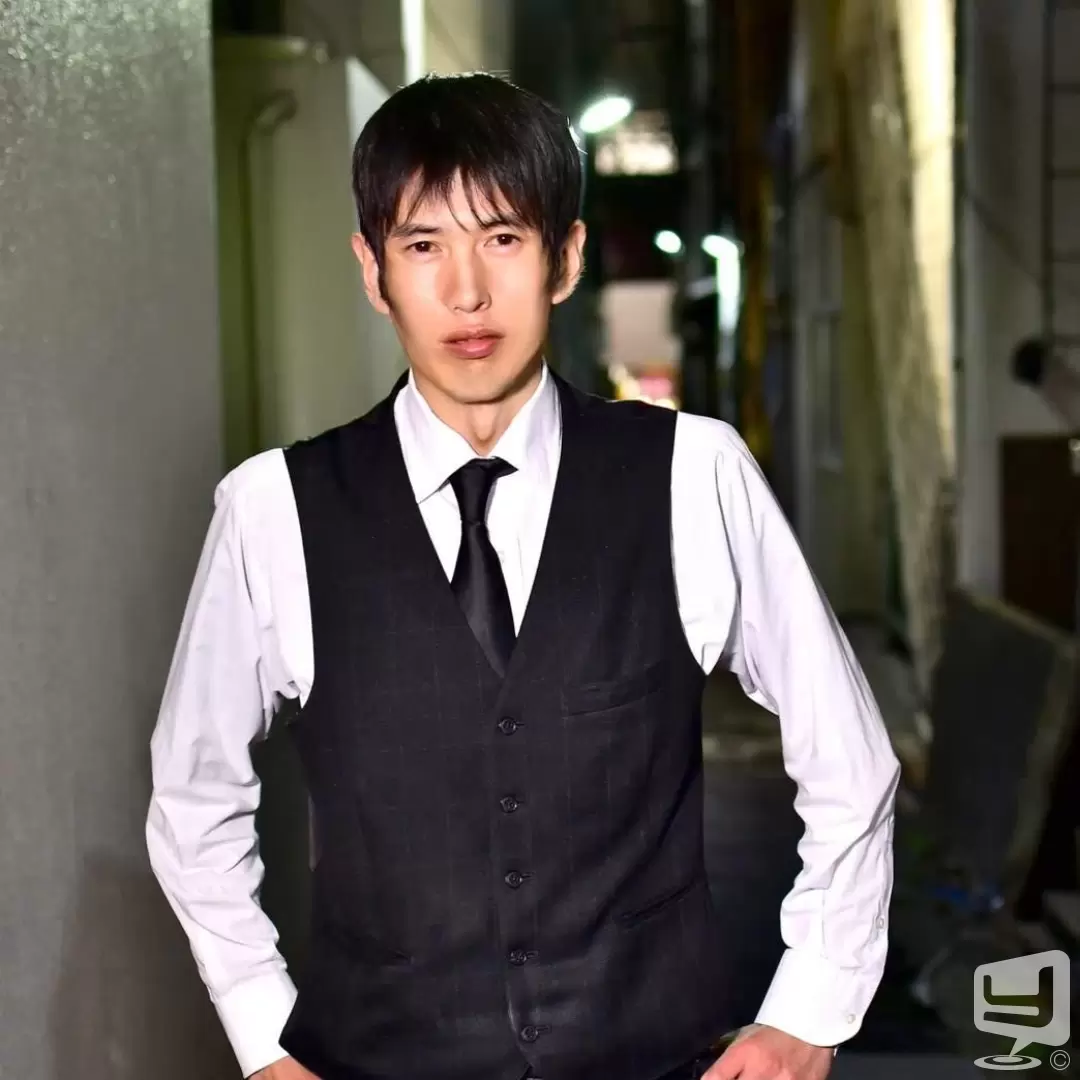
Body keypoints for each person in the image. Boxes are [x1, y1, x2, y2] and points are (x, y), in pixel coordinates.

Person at [146, 72, 900, 1080]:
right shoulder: (272, 509)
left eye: (502, 238)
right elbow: (193, 792)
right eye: (423, 246)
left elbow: (849, 758)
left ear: (566, 257)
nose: (466, 292)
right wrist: (261, 1030)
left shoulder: (693, 474)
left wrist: (810, 1008)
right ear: (373, 271)